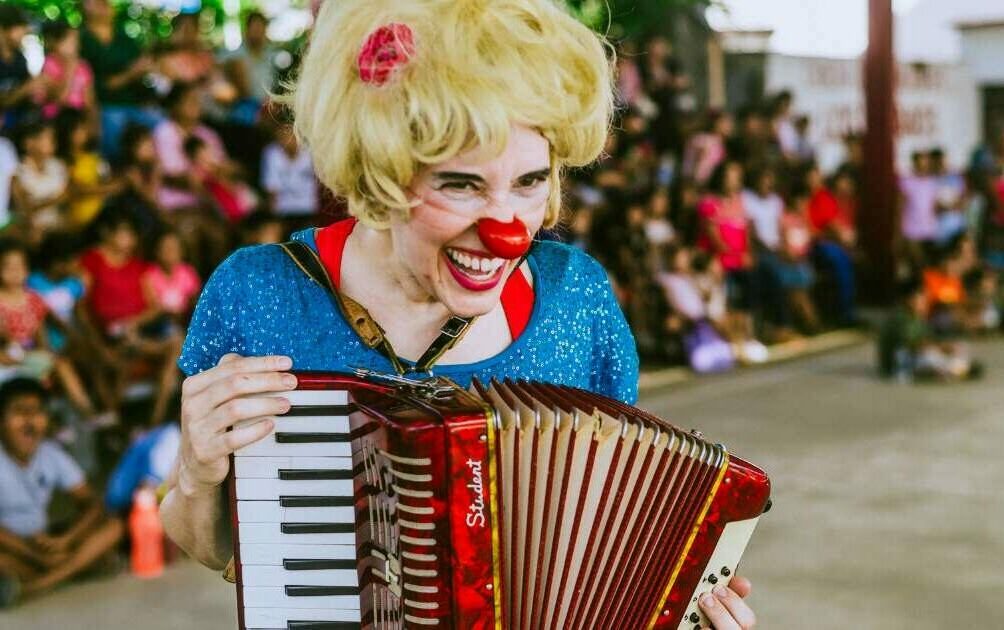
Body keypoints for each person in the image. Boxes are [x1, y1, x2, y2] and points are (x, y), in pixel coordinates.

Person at [160, 2, 757, 626]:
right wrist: (198, 474)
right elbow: (207, 545)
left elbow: (606, 549)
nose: (507, 232)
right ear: (380, 172)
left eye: (528, 182)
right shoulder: (259, 294)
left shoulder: (576, 299)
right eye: (462, 184)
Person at [0, 377, 124, 607]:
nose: (30, 421)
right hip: (15, 549)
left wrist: (66, 540)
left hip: (46, 543)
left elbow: (92, 503)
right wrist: (35, 554)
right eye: (19, 412)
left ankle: (38, 585)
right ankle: (76, 568)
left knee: (113, 527)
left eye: (36, 412)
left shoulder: (50, 454)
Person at [79, 207, 182, 428]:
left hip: (137, 332)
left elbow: (155, 307)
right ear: (108, 232)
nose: (130, 240)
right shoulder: (93, 260)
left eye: (132, 235)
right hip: (107, 334)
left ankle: (156, 419)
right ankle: (124, 421)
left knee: (176, 344)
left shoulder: (138, 266)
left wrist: (132, 323)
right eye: (125, 233)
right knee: (134, 348)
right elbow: (81, 305)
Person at [79, 0, 160, 161]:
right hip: (103, 105)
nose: (105, 6)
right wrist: (130, 74)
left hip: (134, 103)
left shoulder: (123, 37)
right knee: (113, 127)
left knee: (161, 125)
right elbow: (93, 84)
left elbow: (141, 66)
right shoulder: (83, 39)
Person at [10, 121, 68, 246]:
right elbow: (25, 207)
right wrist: (56, 200)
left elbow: (66, 200)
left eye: (53, 138)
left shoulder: (58, 166)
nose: (53, 142)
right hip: (29, 234)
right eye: (47, 138)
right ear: (29, 143)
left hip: (56, 231)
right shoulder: (18, 171)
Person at [36, 20, 96, 124]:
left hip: (78, 120)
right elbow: (61, 98)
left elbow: (89, 101)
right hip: (56, 120)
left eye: (77, 41)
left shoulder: (83, 66)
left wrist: (90, 123)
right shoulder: (49, 65)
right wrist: (70, 70)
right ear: (55, 43)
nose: (76, 46)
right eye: (71, 41)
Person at [0, 6, 39, 129]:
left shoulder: (19, 58)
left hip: (18, 125)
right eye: (20, 28)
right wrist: (27, 88)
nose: (24, 32)